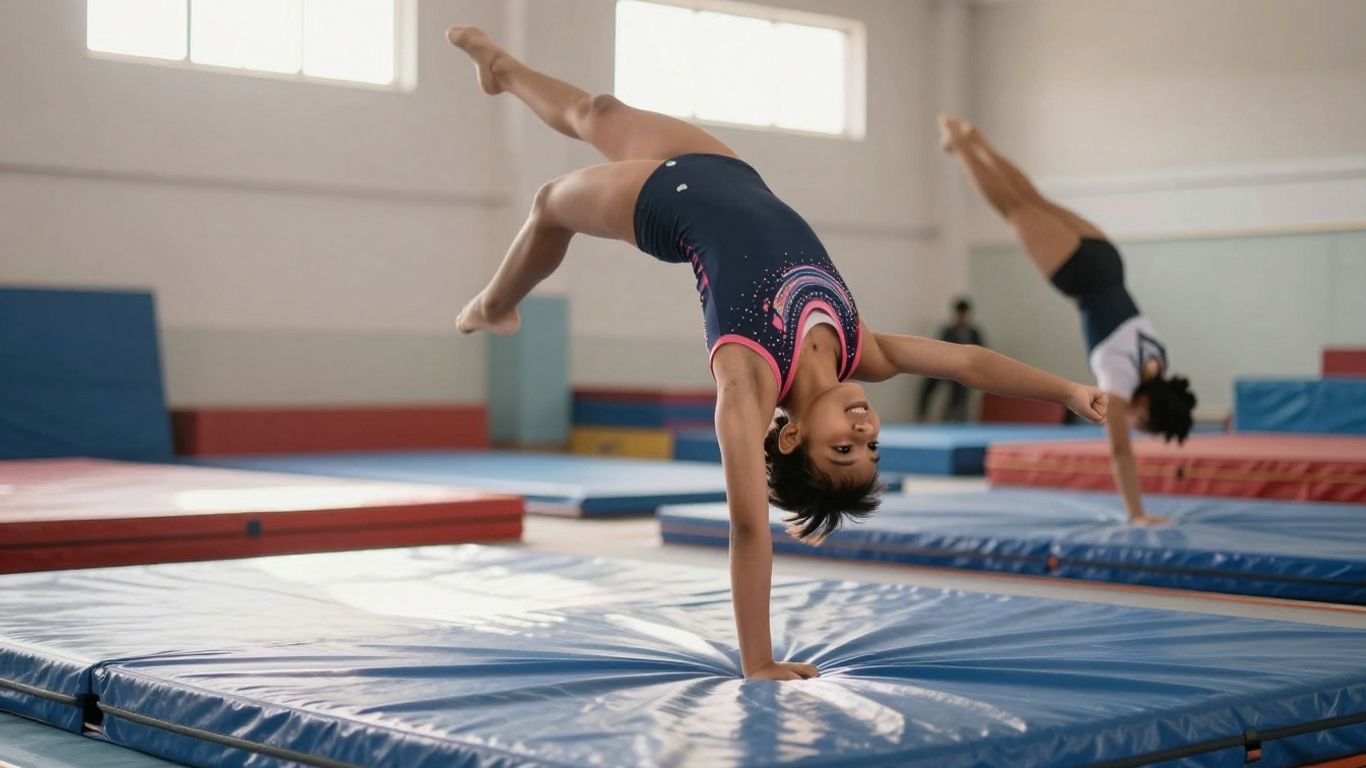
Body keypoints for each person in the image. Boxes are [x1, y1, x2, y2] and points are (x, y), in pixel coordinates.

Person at [447, 27, 1108, 680]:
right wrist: (1069, 392)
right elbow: (968, 365)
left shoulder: (748, 380)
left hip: (665, 208)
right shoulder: (861, 349)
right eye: (871, 447)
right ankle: (501, 68)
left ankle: (492, 305)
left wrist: (757, 660)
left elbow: (748, 529)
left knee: (546, 205)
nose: (864, 430)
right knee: (598, 112)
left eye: (843, 449)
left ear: (790, 436)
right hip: (725, 171)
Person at [939, 115, 1196, 526]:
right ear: (1145, 404)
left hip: (1107, 259)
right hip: (1078, 274)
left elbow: (1146, 383)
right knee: (1013, 209)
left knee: (1031, 201)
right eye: (1141, 422)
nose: (1133, 424)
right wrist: (1137, 513)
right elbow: (1120, 451)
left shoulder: (1158, 361)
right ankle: (962, 148)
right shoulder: (1121, 379)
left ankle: (978, 143)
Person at [917, 298, 985, 422]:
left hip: (964, 370)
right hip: (945, 366)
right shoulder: (948, 331)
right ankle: (922, 413)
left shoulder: (973, 333)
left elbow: (982, 352)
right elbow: (938, 348)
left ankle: (954, 415)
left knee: (960, 389)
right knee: (928, 382)